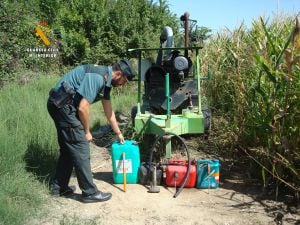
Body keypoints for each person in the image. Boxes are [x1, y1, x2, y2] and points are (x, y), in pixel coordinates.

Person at [47, 59, 135, 203]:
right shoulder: (98, 78)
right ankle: (89, 192)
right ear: (119, 74)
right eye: (124, 81)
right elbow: (82, 107)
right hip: (62, 105)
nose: (123, 85)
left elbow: (109, 112)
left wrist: (118, 133)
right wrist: (87, 131)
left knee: (69, 149)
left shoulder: (106, 83)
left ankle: (59, 188)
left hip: (60, 104)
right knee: (81, 146)